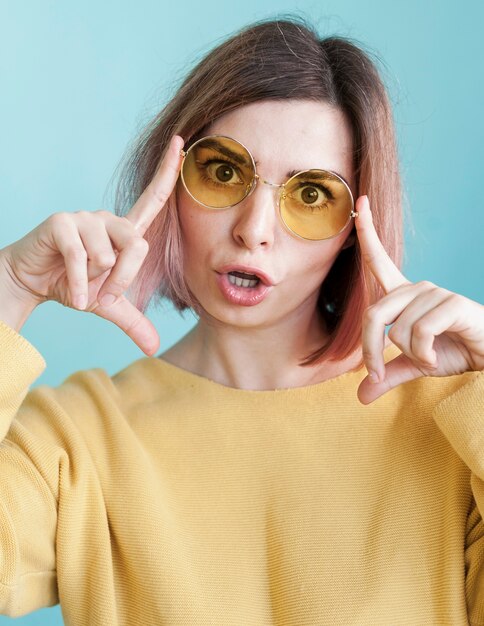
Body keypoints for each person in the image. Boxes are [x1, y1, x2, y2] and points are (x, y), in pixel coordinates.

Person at [0, 16, 483, 626]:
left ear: (354, 233)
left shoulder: (455, 422)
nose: (253, 230)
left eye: (310, 195)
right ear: (170, 181)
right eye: (224, 172)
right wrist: (7, 290)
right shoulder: (76, 440)